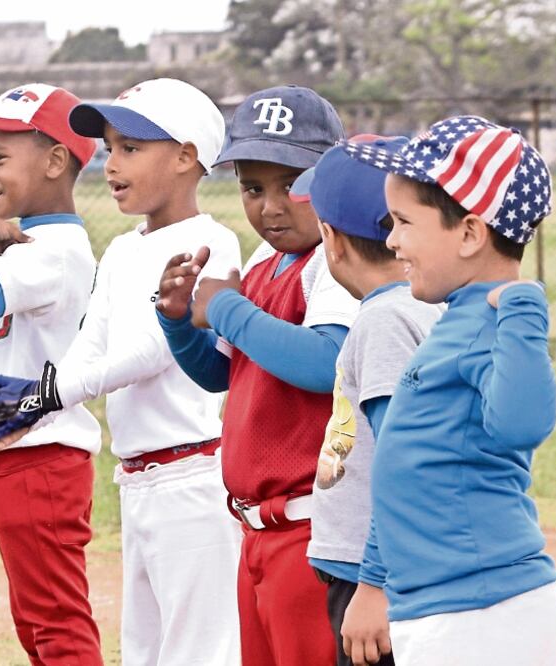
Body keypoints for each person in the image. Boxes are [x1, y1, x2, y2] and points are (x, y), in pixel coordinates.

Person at [0, 78, 244, 665]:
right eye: (109, 149)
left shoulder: (210, 241)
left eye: (130, 148)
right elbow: (91, 348)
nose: (112, 164)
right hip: (137, 480)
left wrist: (49, 392)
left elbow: (150, 350)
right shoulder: (124, 250)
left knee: (198, 651)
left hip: (192, 475)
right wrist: (40, 397)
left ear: (186, 156)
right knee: (143, 650)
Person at [338, 115, 556, 666]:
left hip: (483, 610)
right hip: (443, 607)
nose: (391, 241)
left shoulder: (495, 317)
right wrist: (375, 576)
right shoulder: (455, 320)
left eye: (403, 222)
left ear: (469, 233)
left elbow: (522, 425)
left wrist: (525, 305)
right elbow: (406, 464)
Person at [154, 85, 358, 665]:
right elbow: (223, 374)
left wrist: (226, 308)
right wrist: (179, 325)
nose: (270, 206)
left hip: (310, 528)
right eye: (252, 187)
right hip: (256, 533)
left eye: (291, 185)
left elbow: (325, 364)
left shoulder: (336, 262)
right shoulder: (267, 266)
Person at [0, 83, 106, 664]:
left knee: (57, 626)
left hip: (40, 459)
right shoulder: (21, 242)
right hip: (10, 461)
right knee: (36, 625)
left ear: (56, 159)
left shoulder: (53, 247)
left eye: (0, 157)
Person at [302, 136, 444, 666]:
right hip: (400, 564)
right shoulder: (429, 305)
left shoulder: (384, 321)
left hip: (379, 571)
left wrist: (375, 583)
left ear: (332, 241)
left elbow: (400, 458)